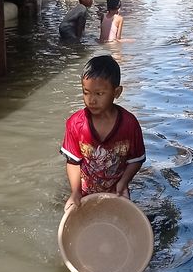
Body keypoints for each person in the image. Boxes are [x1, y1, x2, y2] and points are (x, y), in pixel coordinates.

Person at [60, 55, 146, 211]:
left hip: (117, 192)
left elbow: (136, 160)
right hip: (85, 194)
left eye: (99, 94)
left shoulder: (129, 124)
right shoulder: (76, 124)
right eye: (86, 93)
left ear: (117, 92)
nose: (91, 100)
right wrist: (75, 192)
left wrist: (123, 183)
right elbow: (73, 162)